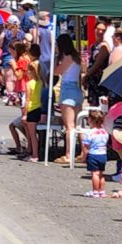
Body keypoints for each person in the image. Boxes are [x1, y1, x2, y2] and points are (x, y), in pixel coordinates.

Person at [53, 34, 83, 165]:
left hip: (67, 89)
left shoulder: (67, 58)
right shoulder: (76, 58)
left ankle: (68, 154)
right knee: (79, 125)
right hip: (76, 89)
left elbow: (56, 72)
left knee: (69, 126)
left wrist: (55, 60)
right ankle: (83, 152)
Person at [82, 109, 109, 198]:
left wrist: (84, 157)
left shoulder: (89, 133)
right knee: (101, 174)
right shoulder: (105, 132)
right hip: (103, 154)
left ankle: (95, 191)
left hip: (93, 154)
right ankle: (102, 191)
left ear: (90, 120)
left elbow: (86, 147)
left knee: (95, 174)